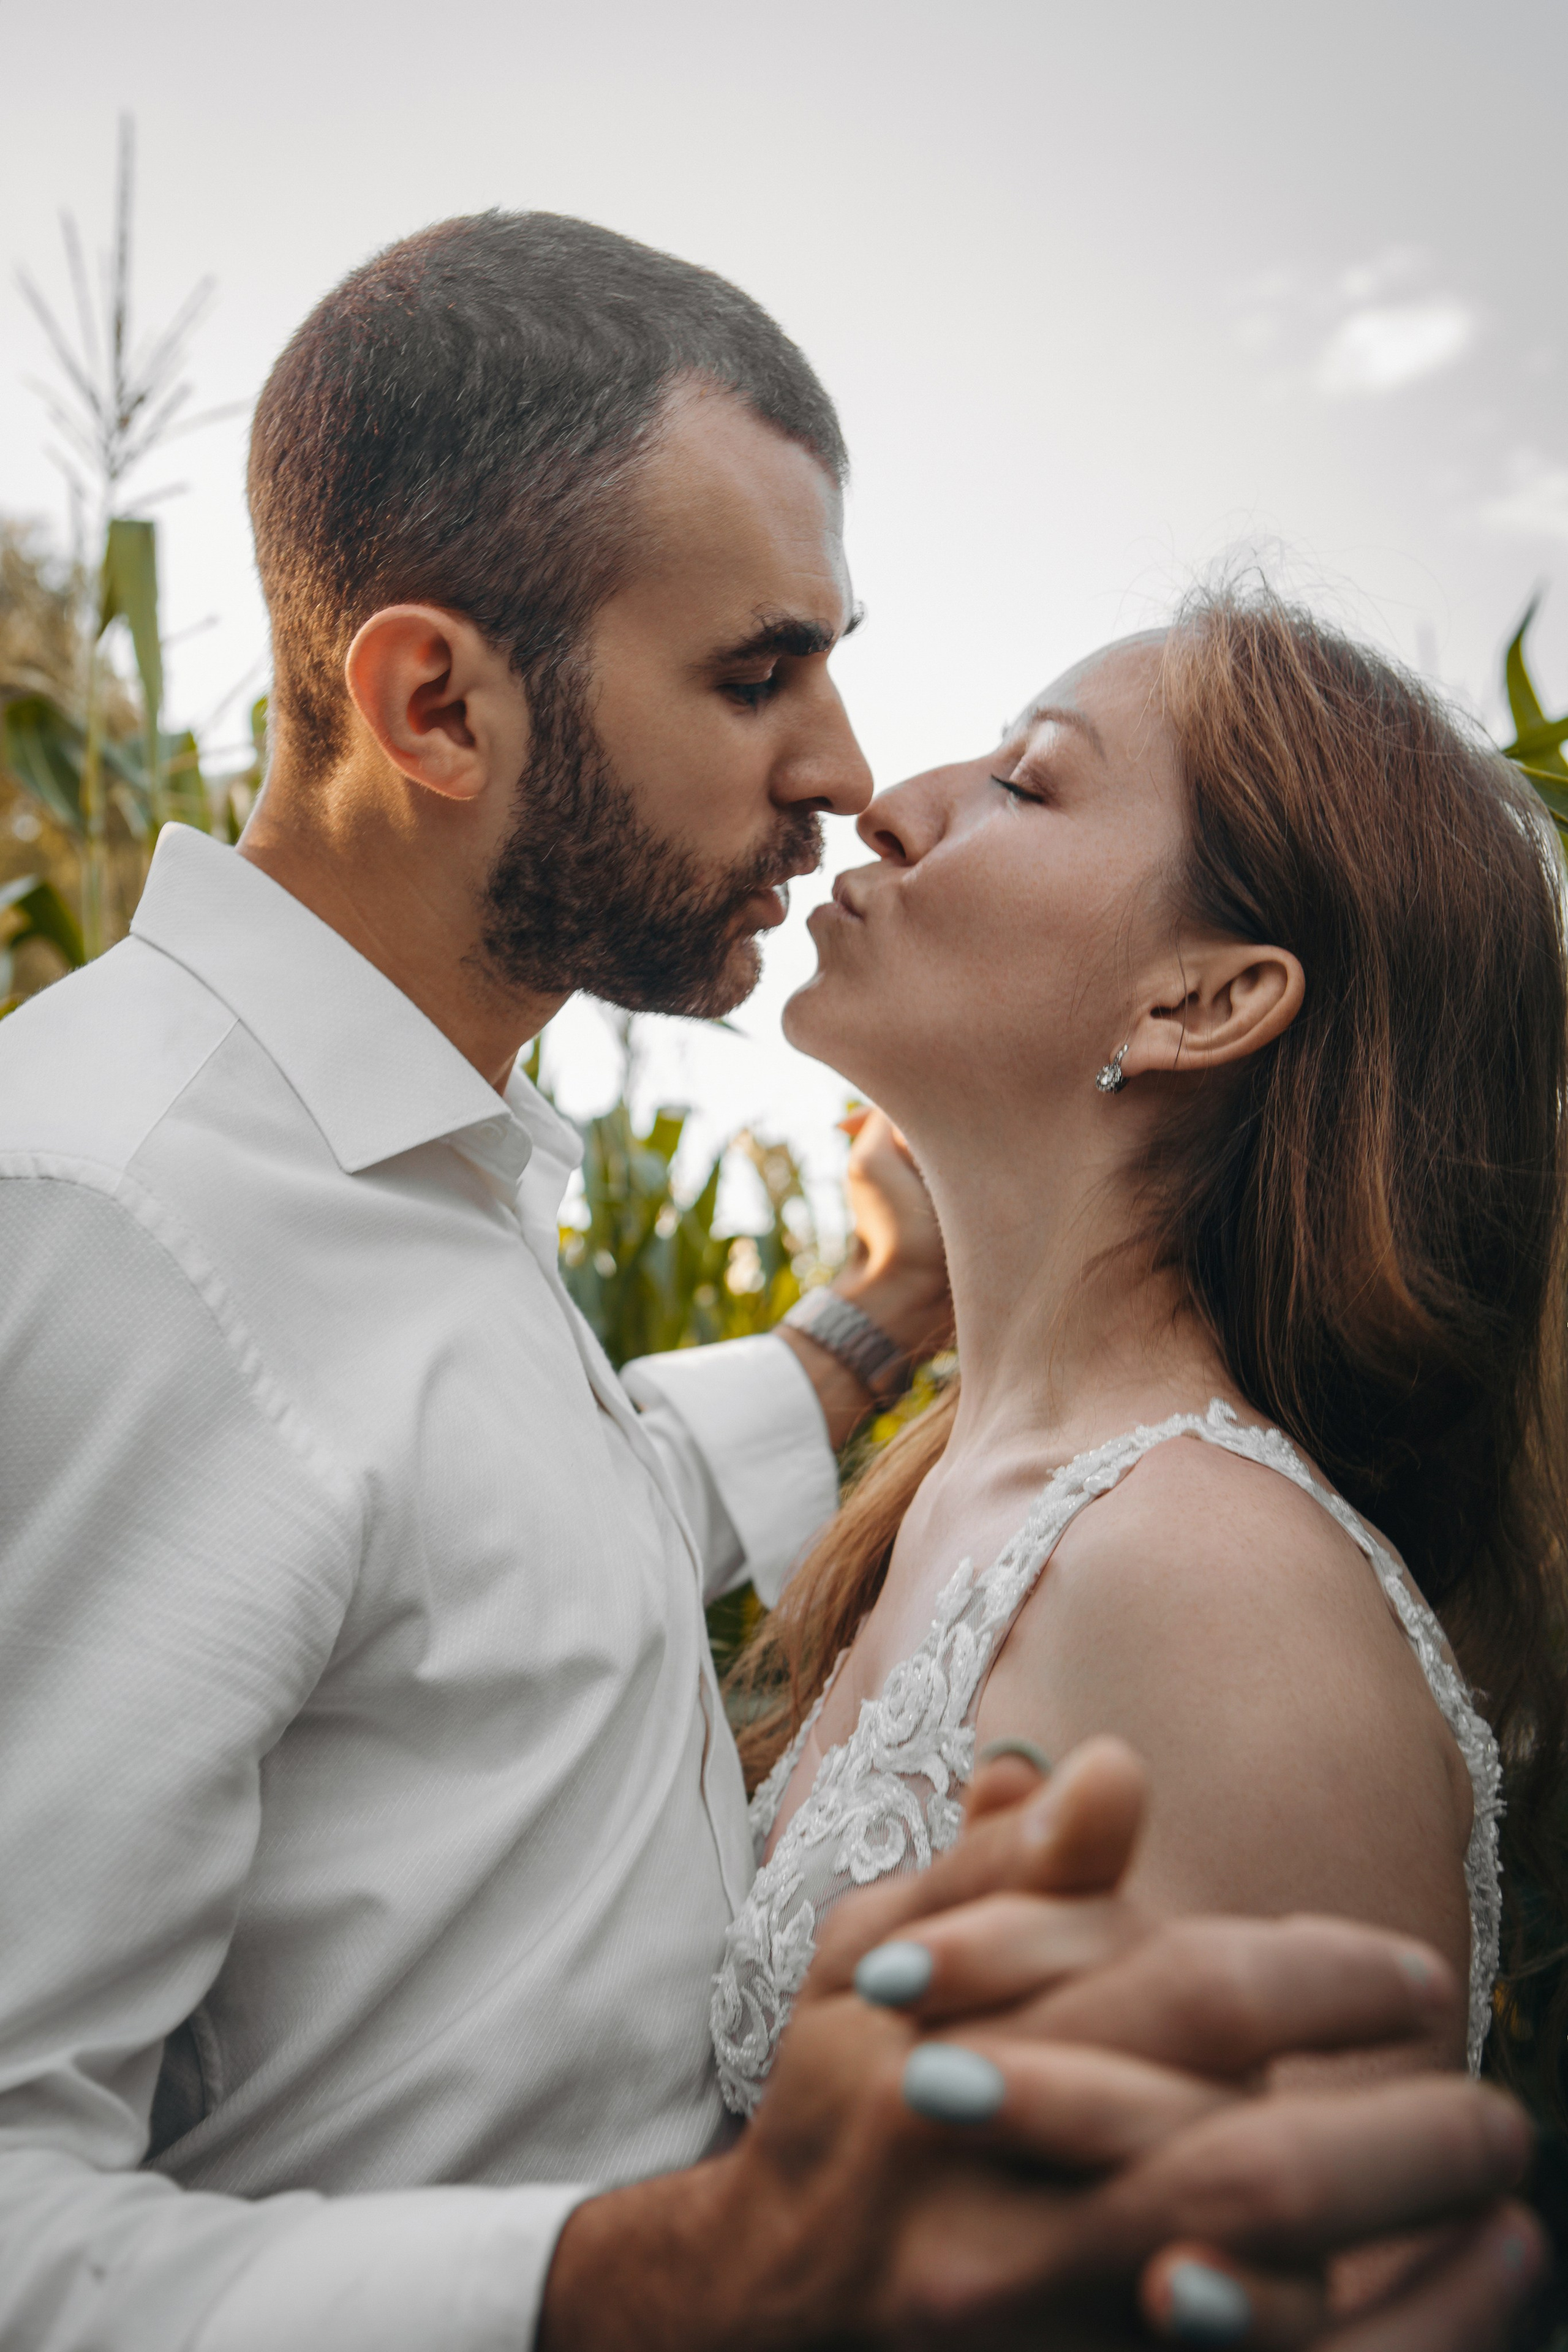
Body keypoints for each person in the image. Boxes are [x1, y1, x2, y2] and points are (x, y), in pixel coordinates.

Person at [0, 212, 1544, 2352]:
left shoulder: (400, 1178)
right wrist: (670, 2284)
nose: (843, 772)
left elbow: (492, 1544)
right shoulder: (120, 1214)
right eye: (756, 674)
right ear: (435, 701)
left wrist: (868, 1333)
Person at [718, 597, 1568, 2146]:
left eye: (1024, 784)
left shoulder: (1213, 1591)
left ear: (1201, 999)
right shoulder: (961, 1494)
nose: (892, 807)